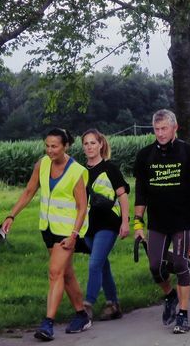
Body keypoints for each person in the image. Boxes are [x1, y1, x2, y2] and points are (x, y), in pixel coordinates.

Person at [1, 128, 91, 341]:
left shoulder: (76, 171)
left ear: (66, 146)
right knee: (65, 273)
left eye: (54, 146)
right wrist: (11, 215)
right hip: (48, 229)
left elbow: (82, 207)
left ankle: (47, 323)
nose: (50, 150)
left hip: (68, 231)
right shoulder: (42, 164)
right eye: (47, 146)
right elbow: (29, 191)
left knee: (54, 272)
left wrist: (74, 235)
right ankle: (82, 314)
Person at [134, 109, 190, 335]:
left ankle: (183, 314)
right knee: (155, 267)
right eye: (156, 129)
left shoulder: (188, 153)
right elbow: (141, 194)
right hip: (157, 221)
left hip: (183, 220)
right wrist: (137, 223)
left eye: (164, 128)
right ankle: (170, 295)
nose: (160, 133)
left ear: (175, 128)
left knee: (181, 264)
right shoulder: (145, 155)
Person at [81, 129, 130, 322]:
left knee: (94, 263)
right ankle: (113, 304)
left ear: (101, 144)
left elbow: (123, 196)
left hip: (109, 223)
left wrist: (125, 222)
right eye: (86, 143)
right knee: (102, 264)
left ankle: (87, 305)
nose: (90, 147)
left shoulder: (110, 168)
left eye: (93, 143)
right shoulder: (81, 172)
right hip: (88, 225)